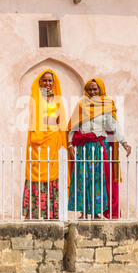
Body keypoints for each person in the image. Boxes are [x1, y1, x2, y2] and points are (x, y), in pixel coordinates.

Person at [67, 78, 131, 219]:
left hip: (99, 147)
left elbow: (114, 125)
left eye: (95, 89)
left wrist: (123, 142)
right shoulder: (81, 104)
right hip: (84, 148)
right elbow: (73, 125)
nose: (92, 92)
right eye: (90, 89)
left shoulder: (106, 104)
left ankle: (96, 212)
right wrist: (70, 144)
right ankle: (83, 212)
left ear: (101, 90)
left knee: (98, 179)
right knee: (83, 178)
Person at [23, 69, 67, 219]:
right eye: (45, 81)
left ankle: (52, 213)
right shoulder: (35, 99)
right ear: (40, 82)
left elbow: (61, 122)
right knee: (36, 173)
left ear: (54, 83)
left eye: (50, 81)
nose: (47, 83)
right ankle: (35, 213)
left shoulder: (58, 100)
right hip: (38, 143)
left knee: (52, 175)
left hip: (53, 141)